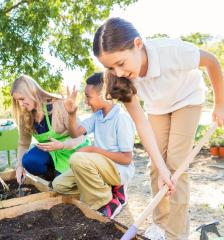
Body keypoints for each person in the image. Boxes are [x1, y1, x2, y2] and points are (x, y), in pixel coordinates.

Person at [93, 17, 224, 239]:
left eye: (121, 63)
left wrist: (220, 103)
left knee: (175, 167)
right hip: (158, 108)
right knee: (158, 167)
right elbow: (141, 124)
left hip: (187, 100)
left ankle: (176, 233)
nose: (118, 72)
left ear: (137, 44)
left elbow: (211, 61)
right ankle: (159, 226)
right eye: (110, 67)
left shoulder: (172, 52)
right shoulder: (120, 79)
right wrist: (160, 166)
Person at [53, 72, 135, 219]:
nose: (86, 101)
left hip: (118, 169)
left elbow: (127, 159)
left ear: (104, 94)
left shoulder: (121, 117)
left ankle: (108, 202)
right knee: (59, 185)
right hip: (100, 168)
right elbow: (75, 133)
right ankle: (106, 191)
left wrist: (93, 150)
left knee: (78, 159)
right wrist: (71, 113)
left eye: (88, 96)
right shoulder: (97, 116)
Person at [11, 74, 90, 184]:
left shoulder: (59, 105)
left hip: (73, 150)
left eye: (22, 99)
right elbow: (23, 144)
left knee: (67, 185)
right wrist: (19, 166)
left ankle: (69, 176)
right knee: (29, 160)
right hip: (52, 153)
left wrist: (62, 145)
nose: (20, 104)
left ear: (31, 92)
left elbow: (81, 137)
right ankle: (54, 178)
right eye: (17, 101)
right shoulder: (25, 116)